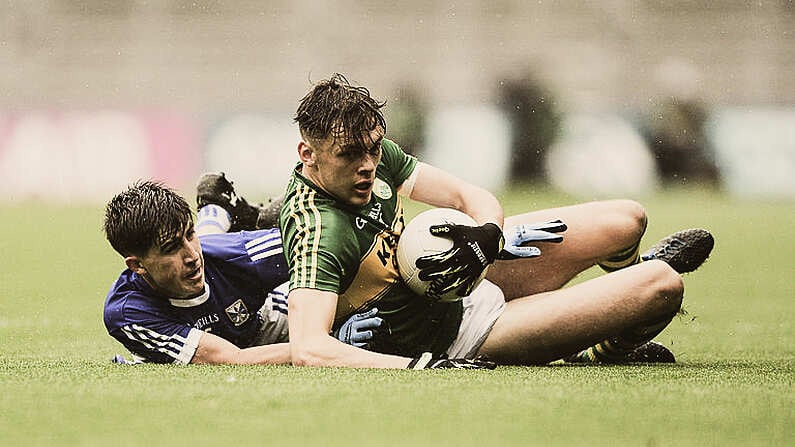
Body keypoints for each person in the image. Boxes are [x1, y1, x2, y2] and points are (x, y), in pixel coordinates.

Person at [270, 73, 714, 370]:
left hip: (457, 271)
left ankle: (617, 304)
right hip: (458, 332)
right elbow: (309, 348)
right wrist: (419, 365)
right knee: (662, 284)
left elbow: (468, 196)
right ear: (307, 154)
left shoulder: (370, 155)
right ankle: (607, 346)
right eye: (350, 155)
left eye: (373, 148)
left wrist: (487, 232)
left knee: (626, 219)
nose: (368, 165)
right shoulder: (318, 230)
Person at [102, 180, 384, 365]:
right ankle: (217, 211)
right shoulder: (128, 311)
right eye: (171, 247)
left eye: (190, 234)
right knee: (209, 250)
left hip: (259, 316)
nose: (190, 255)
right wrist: (329, 343)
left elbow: (322, 241)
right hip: (234, 336)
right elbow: (231, 358)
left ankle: (225, 212)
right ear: (137, 266)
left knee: (215, 250)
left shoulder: (240, 255)